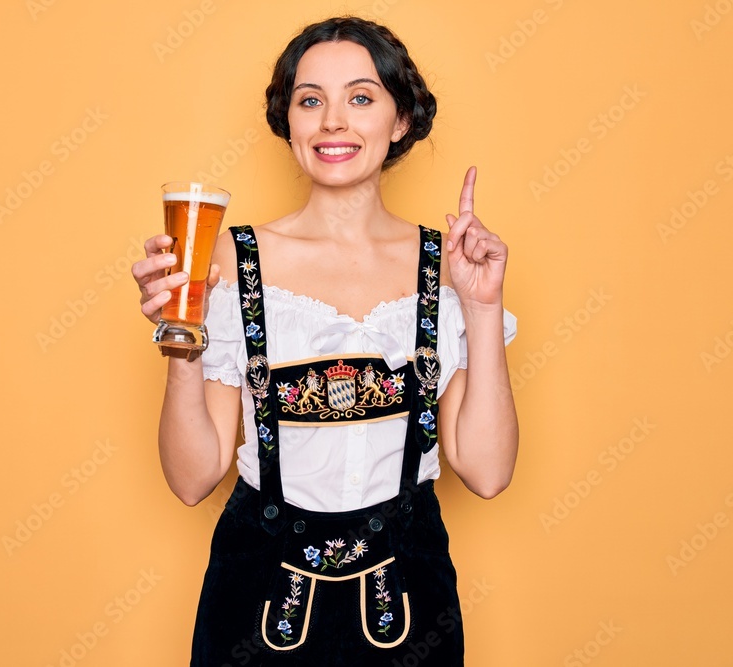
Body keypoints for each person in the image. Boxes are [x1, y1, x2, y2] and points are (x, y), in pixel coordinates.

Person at [132, 16, 518, 666]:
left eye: (360, 98)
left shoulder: (445, 263)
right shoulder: (232, 258)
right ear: (290, 123)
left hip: (409, 606)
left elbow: (486, 470)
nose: (333, 121)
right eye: (310, 100)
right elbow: (194, 478)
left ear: (401, 120)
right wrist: (184, 348)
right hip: (254, 603)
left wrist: (482, 307)